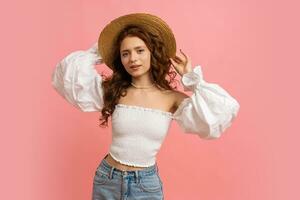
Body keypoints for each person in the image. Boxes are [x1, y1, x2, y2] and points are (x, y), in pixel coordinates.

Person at [51, 13, 240, 200]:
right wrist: (98, 51)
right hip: (107, 179)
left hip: (145, 186)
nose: (133, 59)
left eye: (140, 50)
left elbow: (220, 113)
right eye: (125, 53)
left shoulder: (171, 98)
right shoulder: (114, 91)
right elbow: (68, 76)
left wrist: (191, 79)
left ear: (152, 52)